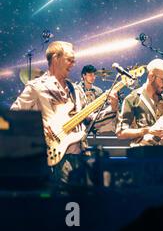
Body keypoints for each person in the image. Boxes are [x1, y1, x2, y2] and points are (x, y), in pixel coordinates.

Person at [10, 41, 119, 186]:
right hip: (54, 159)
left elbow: (90, 121)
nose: (73, 63)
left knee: (83, 205)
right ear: (55, 59)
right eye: (69, 59)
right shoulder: (36, 87)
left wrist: (112, 107)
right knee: (62, 205)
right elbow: (11, 118)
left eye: (74, 60)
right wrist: (37, 127)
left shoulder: (76, 90)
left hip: (81, 157)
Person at [116, 58, 163, 147]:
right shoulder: (132, 99)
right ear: (151, 76)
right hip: (142, 155)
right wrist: (147, 130)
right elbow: (121, 133)